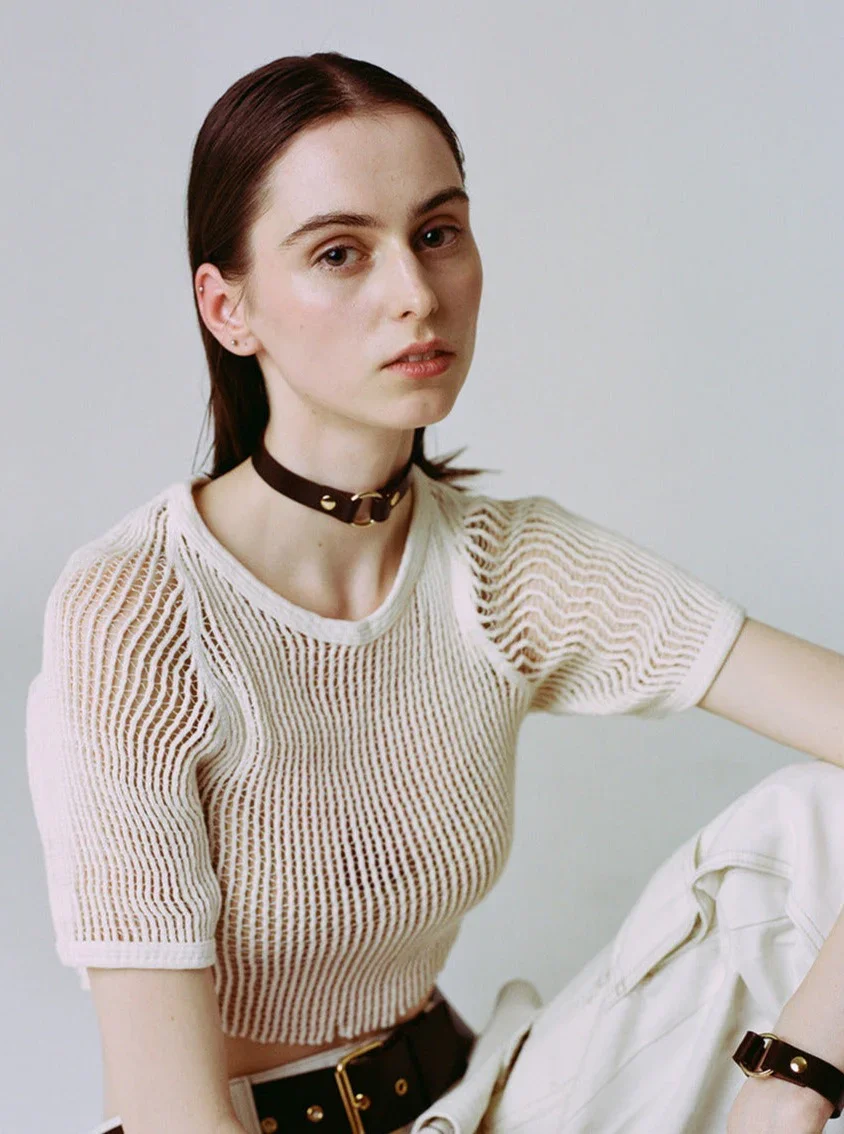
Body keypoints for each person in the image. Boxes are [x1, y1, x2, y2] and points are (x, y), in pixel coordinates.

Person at [24, 51, 844, 1134]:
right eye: (339, 252)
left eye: (437, 233)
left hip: (476, 1100)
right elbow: (168, 1114)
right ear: (229, 309)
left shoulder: (504, 568)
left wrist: (790, 1085)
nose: (414, 294)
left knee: (815, 822)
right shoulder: (139, 612)